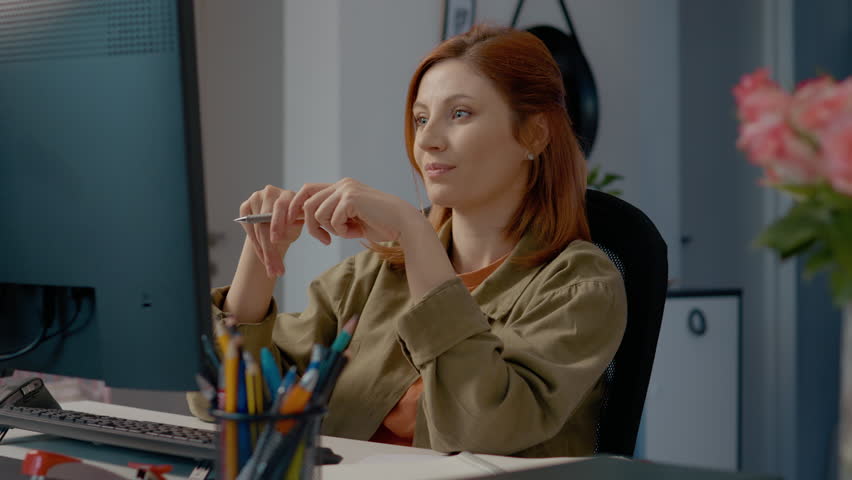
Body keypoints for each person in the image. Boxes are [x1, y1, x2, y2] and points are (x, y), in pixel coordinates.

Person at [203, 24, 626, 458]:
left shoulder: (580, 285)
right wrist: (261, 251)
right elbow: (220, 401)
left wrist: (415, 233)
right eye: (421, 118)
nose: (426, 139)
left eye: (459, 114)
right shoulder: (374, 275)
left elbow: (477, 433)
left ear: (533, 134)